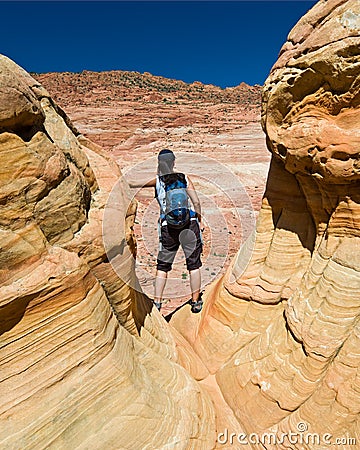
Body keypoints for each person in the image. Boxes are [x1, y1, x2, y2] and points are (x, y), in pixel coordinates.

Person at [128, 149, 203, 313]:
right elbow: (196, 202)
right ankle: (196, 302)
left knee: (163, 267)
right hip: (189, 224)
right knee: (193, 265)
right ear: (174, 162)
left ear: (159, 163)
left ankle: (157, 302)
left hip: (168, 228)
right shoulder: (184, 178)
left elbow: (133, 183)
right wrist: (198, 217)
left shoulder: (157, 181)